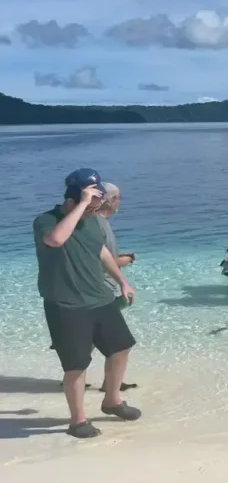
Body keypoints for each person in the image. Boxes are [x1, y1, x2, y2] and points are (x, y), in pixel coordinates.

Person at [33, 168, 141, 439]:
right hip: (66, 305)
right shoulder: (46, 221)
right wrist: (82, 205)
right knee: (76, 365)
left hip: (100, 299)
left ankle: (112, 401)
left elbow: (101, 252)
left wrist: (122, 281)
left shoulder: (92, 220)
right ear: (73, 199)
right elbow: (56, 240)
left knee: (121, 348)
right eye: (95, 200)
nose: (99, 207)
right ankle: (78, 420)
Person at [95, 182, 138, 392]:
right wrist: (128, 259)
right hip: (102, 292)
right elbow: (106, 261)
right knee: (116, 342)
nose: (119, 202)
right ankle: (110, 387)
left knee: (104, 340)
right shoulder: (99, 224)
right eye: (118, 197)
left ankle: (109, 383)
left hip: (105, 291)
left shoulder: (99, 223)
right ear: (110, 200)